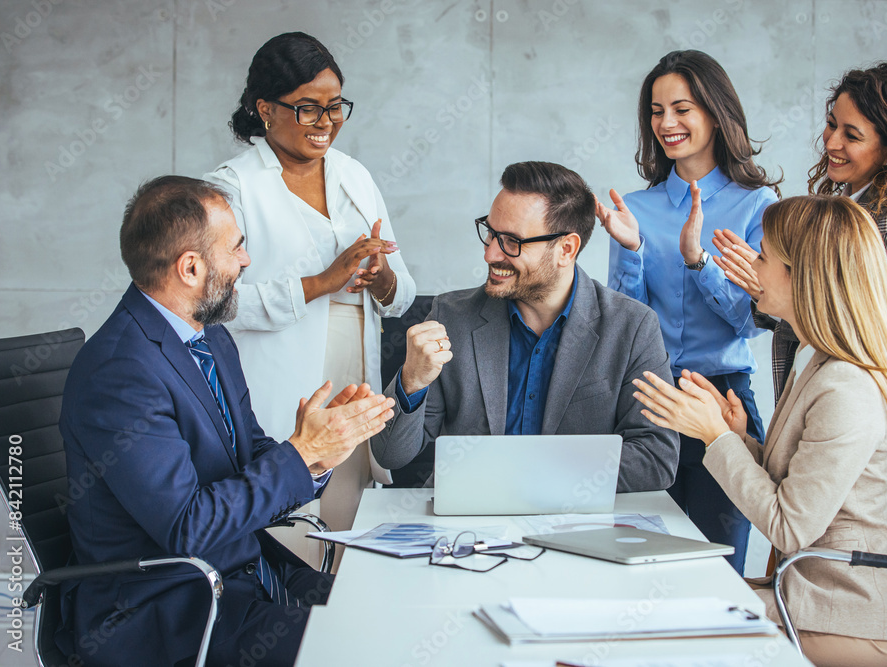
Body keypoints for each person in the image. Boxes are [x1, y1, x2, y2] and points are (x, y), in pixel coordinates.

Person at [57, 176, 395, 666]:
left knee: (395, 609)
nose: (245, 261)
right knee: (365, 648)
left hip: (244, 573)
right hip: (168, 610)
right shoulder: (119, 372)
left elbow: (248, 456)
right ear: (191, 267)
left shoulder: (209, 338)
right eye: (236, 247)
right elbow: (188, 528)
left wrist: (318, 454)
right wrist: (298, 455)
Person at [635, 196, 887, 667]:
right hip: (823, 599)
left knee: (662, 631)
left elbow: (789, 526)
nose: (752, 268)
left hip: (860, 623)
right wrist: (739, 437)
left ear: (804, 277)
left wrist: (717, 438)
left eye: (763, 257)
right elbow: (803, 482)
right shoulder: (816, 359)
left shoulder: (847, 388)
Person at [713, 62, 887, 524]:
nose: (831, 142)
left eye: (851, 134)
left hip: (882, 452)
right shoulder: (860, 203)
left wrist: (774, 290)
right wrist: (772, 289)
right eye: (832, 124)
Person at [204, 32, 416, 544]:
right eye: (307, 108)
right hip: (282, 379)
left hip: (353, 370)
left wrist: (383, 279)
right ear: (265, 109)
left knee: (345, 526)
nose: (326, 122)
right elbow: (218, 305)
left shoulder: (355, 176)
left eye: (335, 106)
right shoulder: (230, 187)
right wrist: (322, 282)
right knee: (286, 524)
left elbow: (404, 293)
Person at [371, 161, 680, 492]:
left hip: (576, 524)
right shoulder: (451, 315)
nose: (490, 253)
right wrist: (411, 381)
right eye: (490, 233)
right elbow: (391, 455)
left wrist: (524, 476)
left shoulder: (632, 327)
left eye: (511, 242)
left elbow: (655, 458)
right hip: (467, 525)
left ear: (566, 249)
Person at [596, 50, 779, 573]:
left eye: (682, 108)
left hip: (721, 399)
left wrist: (699, 261)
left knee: (716, 562)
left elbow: (752, 320)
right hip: (649, 398)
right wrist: (631, 251)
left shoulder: (757, 205)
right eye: (656, 111)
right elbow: (624, 323)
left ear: (716, 113)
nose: (667, 124)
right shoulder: (636, 207)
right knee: (639, 556)